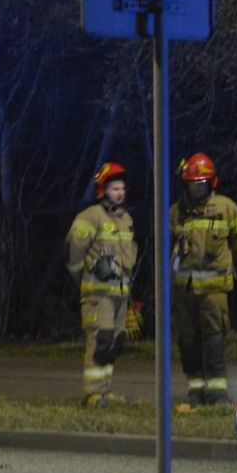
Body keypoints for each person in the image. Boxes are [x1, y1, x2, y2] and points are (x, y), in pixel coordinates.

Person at [171, 153, 237, 405]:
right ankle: (195, 390)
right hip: (184, 291)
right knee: (188, 341)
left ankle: (216, 393)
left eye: (202, 182)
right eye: (193, 183)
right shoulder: (176, 212)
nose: (197, 187)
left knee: (214, 340)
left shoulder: (227, 208)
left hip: (215, 291)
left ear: (211, 182)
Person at [64, 162, 138, 407]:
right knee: (100, 340)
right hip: (98, 295)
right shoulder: (90, 217)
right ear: (103, 190)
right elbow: (73, 255)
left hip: (120, 294)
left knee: (114, 342)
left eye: (122, 188)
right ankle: (93, 393)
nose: (120, 193)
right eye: (115, 188)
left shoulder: (126, 219)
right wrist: (84, 280)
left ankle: (106, 390)